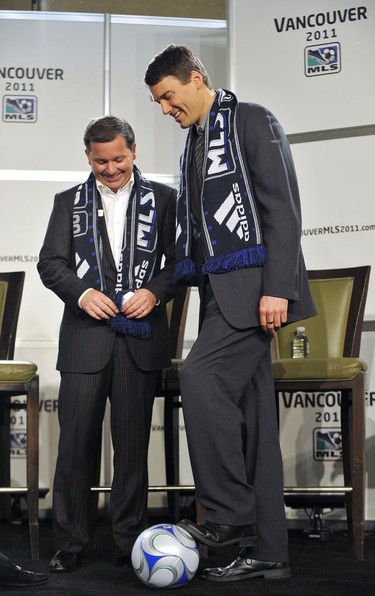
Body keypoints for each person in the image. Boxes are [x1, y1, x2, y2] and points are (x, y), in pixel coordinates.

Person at [144, 45, 316, 583]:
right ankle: (269, 551)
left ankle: (225, 515)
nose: (167, 110)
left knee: (199, 376)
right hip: (219, 294)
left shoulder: (250, 120)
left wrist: (278, 289)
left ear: (196, 79)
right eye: (159, 104)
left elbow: (282, 208)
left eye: (170, 97)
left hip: (255, 292)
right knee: (256, 424)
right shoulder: (196, 141)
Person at [38, 115, 177, 573]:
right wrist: (81, 292)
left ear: (134, 151)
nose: (111, 168)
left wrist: (155, 290)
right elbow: (50, 263)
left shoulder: (165, 199)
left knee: (133, 448)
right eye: (101, 161)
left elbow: (181, 262)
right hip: (84, 339)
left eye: (119, 158)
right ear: (87, 157)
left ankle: (131, 544)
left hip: (140, 339)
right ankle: (71, 543)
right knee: (75, 446)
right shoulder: (67, 202)